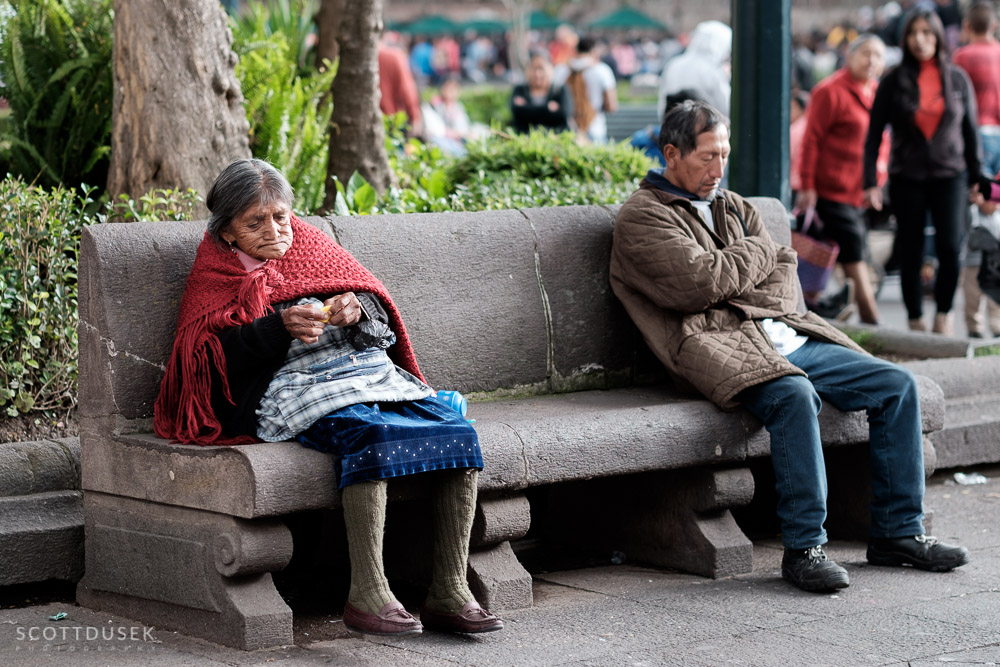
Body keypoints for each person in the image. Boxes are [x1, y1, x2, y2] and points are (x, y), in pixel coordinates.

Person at [610, 100, 970, 594]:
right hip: (716, 348)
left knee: (898, 385)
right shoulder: (643, 217)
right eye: (707, 157)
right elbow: (698, 284)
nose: (719, 169)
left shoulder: (733, 206)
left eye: (724, 155)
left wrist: (738, 275)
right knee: (795, 396)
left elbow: (784, 278)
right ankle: (804, 549)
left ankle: (897, 532)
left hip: (785, 336)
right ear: (671, 154)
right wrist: (755, 255)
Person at [154, 159, 503, 637]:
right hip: (293, 387)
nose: (274, 230)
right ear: (228, 230)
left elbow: (380, 316)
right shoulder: (216, 272)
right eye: (255, 223)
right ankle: (367, 594)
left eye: (280, 216)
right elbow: (209, 363)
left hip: (369, 373)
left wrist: (358, 310)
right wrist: (277, 328)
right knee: (371, 434)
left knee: (457, 431)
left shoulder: (313, 245)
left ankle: (449, 591)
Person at [863, 8, 981, 335]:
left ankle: (944, 314)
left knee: (950, 247)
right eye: (913, 33)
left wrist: (977, 178)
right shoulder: (892, 80)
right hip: (907, 177)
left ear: (938, 36)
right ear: (905, 38)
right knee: (910, 248)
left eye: (927, 32)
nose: (920, 40)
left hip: (951, 175)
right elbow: (873, 136)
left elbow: (970, 132)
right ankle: (915, 319)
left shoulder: (957, 78)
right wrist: (870, 182)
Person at [797, 34, 890, 325]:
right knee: (854, 255)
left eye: (877, 55)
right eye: (865, 53)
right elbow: (811, 140)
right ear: (849, 55)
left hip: (860, 192)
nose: (871, 61)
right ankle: (872, 321)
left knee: (853, 254)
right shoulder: (829, 91)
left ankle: (845, 313)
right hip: (831, 190)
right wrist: (807, 185)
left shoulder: (877, 92)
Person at [953, 1, 1000, 336]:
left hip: (974, 145)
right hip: (998, 141)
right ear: (994, 25)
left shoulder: (962, 57)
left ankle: (975, 321)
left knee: (975, 230)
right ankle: (995, 318)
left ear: (967, 26)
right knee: (995, 224)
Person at [657, 20, 732, 121]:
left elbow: (662, 106)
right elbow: (726, 107)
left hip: (673, 124)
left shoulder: (673, 64)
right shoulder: (712, 70)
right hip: (706, 125)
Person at [552, 36, 618, 144]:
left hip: (566, 129)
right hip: (595, 128)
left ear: (576, 50)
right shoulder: (602, 70)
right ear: (594, 51)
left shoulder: (561, 69)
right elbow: (611, 106)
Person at [510, 52, 569, 134]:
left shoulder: (559, 91)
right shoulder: (520, 90)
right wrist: (547, 109)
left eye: (541, 68)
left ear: (550, 68)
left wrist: (527, 108)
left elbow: (564, 115)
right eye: (533, 68)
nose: (537, 74)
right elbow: (516, 113)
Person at [379, 38, 423, 137]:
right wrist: (415, 116)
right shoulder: (394, 56)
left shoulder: (357, 58)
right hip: (392, 120)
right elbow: (407, 90)